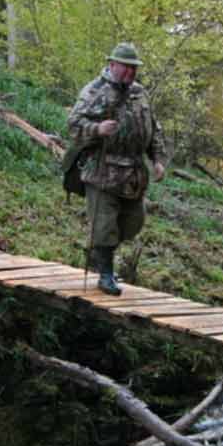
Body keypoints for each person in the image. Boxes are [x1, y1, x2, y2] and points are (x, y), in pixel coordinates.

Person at [67, 42, 167, 295]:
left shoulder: (139, 93)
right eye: (126, 67)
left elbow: (152, 127)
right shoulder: (95, 91)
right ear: (113, 65)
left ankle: (99, 254)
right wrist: (97, 129)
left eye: (134, 68)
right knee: (104, 224)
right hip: (102, 171)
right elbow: (74, 125)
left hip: (133, 175)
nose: (130, 72)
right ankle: (106, 274)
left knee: (134, 221)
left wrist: (157, 159)